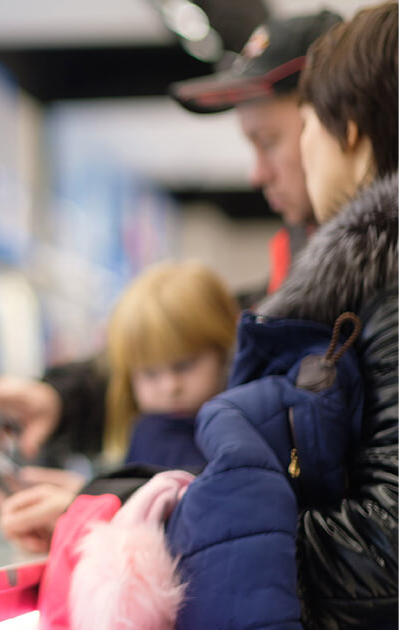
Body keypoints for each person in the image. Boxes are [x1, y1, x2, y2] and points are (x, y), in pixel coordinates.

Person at [0, 10, 344, 466]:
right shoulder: (303, 260)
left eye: (269, 140)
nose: (257, 174)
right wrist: (62, 400)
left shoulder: (364, 283)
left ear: (338, 125)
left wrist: (123, 509)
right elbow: (187, 335)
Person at [164, 3, 397, 627]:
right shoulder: (351, 282)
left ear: (344, 126)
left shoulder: (381, 290)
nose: (260, 168)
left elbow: (389, 547)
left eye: (291, 133)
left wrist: (196, 536)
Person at [0, 262, 238, 553]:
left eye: (183, 366)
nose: (169, 386)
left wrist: (91, 496)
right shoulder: (148, 429)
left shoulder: (233, 430)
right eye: (150, 373)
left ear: (224, 351)